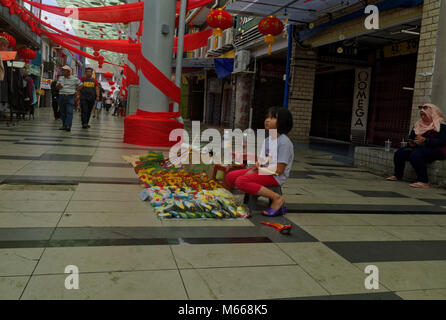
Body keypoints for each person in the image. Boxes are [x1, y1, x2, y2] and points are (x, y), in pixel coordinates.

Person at [225, 107, 294, 217]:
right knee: (230, 176)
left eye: (272, 118)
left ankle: (277, 198)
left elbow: (279, 170)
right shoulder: (267, 140)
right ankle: (233, 198)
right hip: (264, 171)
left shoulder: (284, 143)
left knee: (241, 181)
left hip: (275, 176)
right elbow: (262, 160)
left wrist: (256, 171)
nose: (267, 120)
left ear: (283, 122)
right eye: (267, 117)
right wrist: (254, 168)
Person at [387, 103, 446, 188]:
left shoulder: (441, 125)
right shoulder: (418, 124)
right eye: (421, 115)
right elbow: (412, 137)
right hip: (420, 148)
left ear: (432, 114)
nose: (422, 117)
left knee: (416, 155)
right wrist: (411, 142)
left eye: (425, 115)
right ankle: (398, 175)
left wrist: (426, 140)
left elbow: (442, 141)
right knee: (400, 152)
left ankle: (423, 181)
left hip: (438, 150)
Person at [57, 65, 82, 132]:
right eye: (62, 70)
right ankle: (64, 125)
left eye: (64, 70)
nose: (63, 72)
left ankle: (68, 126)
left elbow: (81, 85)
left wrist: (77, 91)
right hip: (62, 96)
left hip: (70, 96)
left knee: (69, 111)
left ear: (68, 72)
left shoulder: (74, 79)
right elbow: (57, 87)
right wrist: (59, 86)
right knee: (62, 112)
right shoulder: (60, 78)